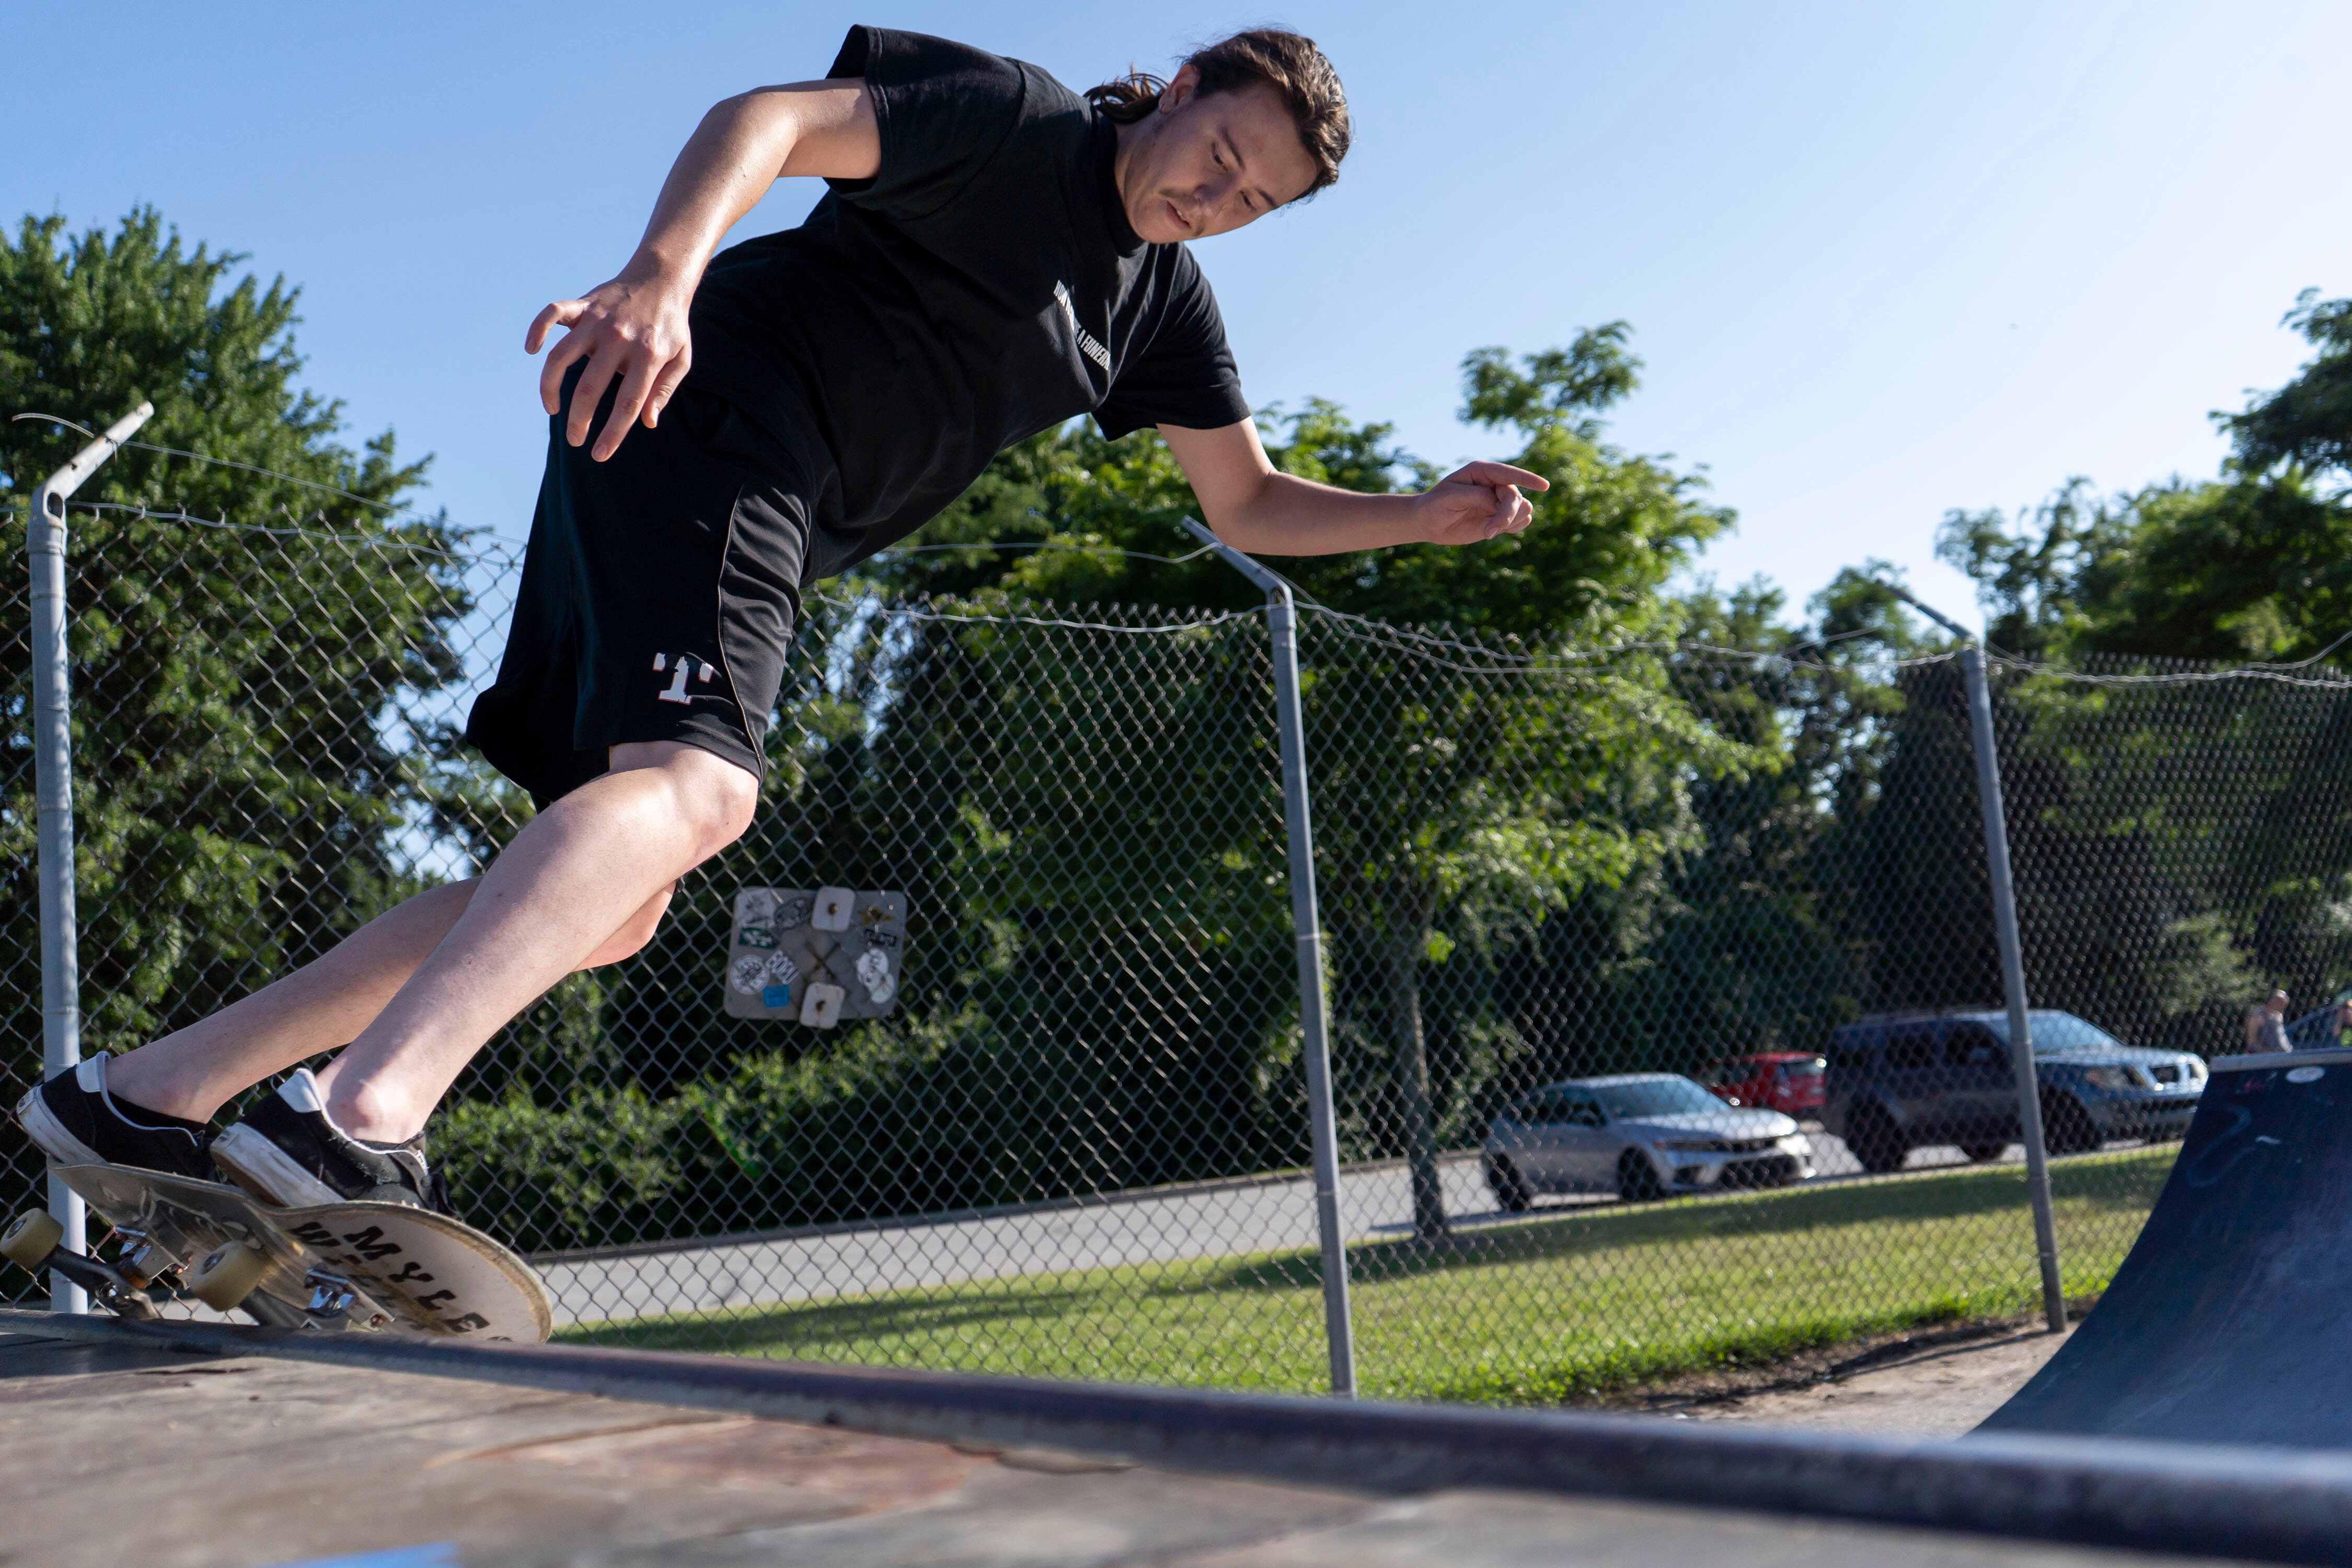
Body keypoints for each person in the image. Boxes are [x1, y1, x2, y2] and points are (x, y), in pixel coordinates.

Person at [15, 27, 1545, 1214]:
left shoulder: (1157, 303)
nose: (1210, 199)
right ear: (1188, 84)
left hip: (752, 501)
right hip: (710, 411)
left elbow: (1247, 502)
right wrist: (660, 275)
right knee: (703, 789)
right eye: (1218, 153)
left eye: (1250, 203)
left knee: (612, 902)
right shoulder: (1018, 121)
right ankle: (355, 1121)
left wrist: (1420, 514)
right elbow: (771, 118)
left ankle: (146, 1095)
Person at [2248, 990, 2293, 1054]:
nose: (2284, 1004)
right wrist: (2264, 1050)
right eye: (2281, 1001)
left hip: (2283, 1052)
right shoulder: (2260, 1015)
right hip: (2266, 1054)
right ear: (2273, 1001)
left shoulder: (2277, 1014)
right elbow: (2251, 1038)